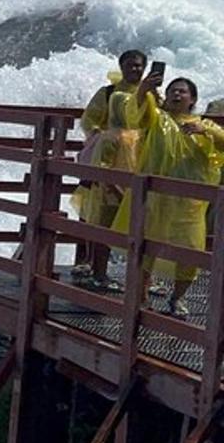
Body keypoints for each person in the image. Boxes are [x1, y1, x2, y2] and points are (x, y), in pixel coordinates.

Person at [111, 75, 224, 315]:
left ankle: (177, 298)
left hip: (189, 203)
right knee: (146, 248)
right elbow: (135, 113)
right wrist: (144, 89)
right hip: (156, 197)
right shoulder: (156, 119)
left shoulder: (205, 125)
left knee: (191, 250)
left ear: (192, 99)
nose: (176, 94)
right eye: (172, 90)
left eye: (182, 91)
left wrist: (205, 131)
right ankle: (140, 296)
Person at [71, 50, 148, 290]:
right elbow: (89, 120)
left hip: (139, 158)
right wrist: (100, 137)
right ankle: (92, 267)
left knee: (143, 223)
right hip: (110, 154)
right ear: (122, 66)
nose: (135, 69)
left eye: (138, 66)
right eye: (130, 65)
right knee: (100, 215)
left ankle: (143, 280)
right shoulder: (109, 93)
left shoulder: (150, 95)